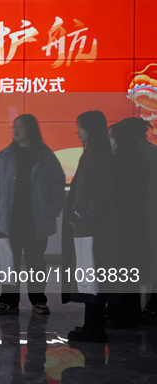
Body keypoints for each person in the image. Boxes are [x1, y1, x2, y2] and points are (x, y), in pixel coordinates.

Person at [0, 114, 66, 315]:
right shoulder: (5, 155)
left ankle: (38, 300)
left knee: (36, 262)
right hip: (9, 218)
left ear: (31, 129)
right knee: (8, 261)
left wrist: (52, 209)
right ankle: (8, 301)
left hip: (36, 220)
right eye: (14, 126)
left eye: (21, 126)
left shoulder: (45, 156)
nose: (16, 130)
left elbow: (58, 185)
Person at [62, 110, 119, 343]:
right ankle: (92, 325)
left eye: (81, 126)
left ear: (91, 128)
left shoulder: (95, 155)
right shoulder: (97, 153)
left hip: (91, 229)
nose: (78, 131)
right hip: (92, 227)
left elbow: (96, 194)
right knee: (93, 273)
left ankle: (94, 328)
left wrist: (80, 216)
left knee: (92, 273)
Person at [105, 119, 148, 328]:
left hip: (124, 224)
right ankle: (124, 312)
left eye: (112, 137)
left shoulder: (123, 161)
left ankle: (123, 314)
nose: (110, 140)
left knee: (124, 270)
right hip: (132, 223)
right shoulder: (134, 157)